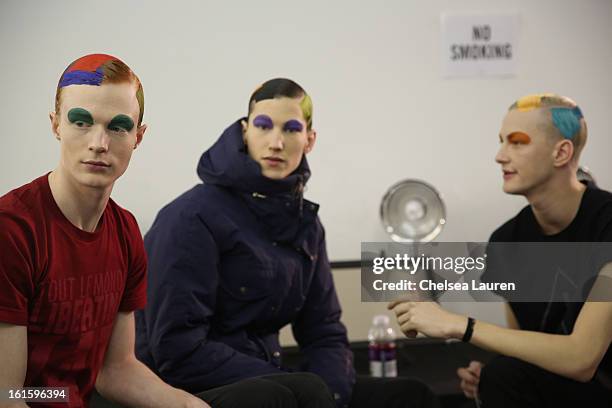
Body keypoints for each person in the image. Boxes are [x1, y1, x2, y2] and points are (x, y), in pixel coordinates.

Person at [136, 78, 438, 408]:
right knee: (278, 397)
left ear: (309, 140)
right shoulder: (192, 216)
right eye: (263, 126)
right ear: (244, 130)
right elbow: (178, 349)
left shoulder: (306, 226)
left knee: (410, 396)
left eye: (291, 129)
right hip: (183, 387)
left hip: (271, 378)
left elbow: (324, 332)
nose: (276, 142)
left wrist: (332, 396)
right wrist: (294, 385)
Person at [0, 54, 208, 408]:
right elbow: (9, 394)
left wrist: (189, 406)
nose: (99, 142)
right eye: (81, 122)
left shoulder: (126, 231)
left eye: (118, 127)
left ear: (138, 137)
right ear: (55, 125)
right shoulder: (12, 231)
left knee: (279, 395)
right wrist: (63, 395)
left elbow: (116, 370)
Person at [388, 94, 612, 407]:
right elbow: (525, 348)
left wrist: (458, 324)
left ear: (561, 152)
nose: (500, 155)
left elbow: (582, 358)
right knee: (499, 377)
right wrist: (489, 374)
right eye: (501, 141)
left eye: (517, 142)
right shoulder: (506, 241)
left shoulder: (606, 226)